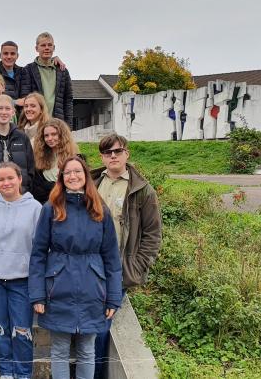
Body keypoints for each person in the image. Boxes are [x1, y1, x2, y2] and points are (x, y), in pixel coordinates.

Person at [29, 156, 123, 379]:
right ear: (61, 177)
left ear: (86, 176)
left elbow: (111, 257)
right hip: (59, 286)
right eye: (67, 172)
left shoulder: (100, 209)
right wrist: (37, 295)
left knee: (87, 350)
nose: (73, 176)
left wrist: (113, 297)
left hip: (93, 288)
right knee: (60, 350)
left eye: (77, 172)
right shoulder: (51, 208)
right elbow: (38, 254)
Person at [92, 133, 163, 379]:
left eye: (117, 151)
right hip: (88, 266)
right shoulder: (91, 181)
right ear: (101, 156)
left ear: (126, 154)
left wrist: (137, 266)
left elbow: (153, 235)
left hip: (117, 270)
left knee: (101, 327)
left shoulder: (142, 190)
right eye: (107, 152)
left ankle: (97, 375)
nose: (113, 156)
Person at [0, 162, 42, 379]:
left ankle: (23, 373)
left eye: (10, 178)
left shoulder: (35, 208)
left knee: (22, 331)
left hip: (22, 279)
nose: (6, 183)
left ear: (20, 179)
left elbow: (40, 246)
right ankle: (6, 371)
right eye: (1, 179)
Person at [21, 32, 74, 126]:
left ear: (54, 48)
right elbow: (25, 98)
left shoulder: (62, 71)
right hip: (36, 123)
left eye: (50, 45)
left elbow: (68, 100)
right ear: (36, 48)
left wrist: (68, 125)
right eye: (43, 45)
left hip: (57, 123)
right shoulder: (28, 70)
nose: (47, 48)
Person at [32, 118, 79, 204]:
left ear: (62, 135)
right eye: (46, 135)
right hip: (46, 202)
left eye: (54, 134)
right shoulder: (39, 157)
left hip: (67, 202)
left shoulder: (74, 157)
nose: (50, 138)